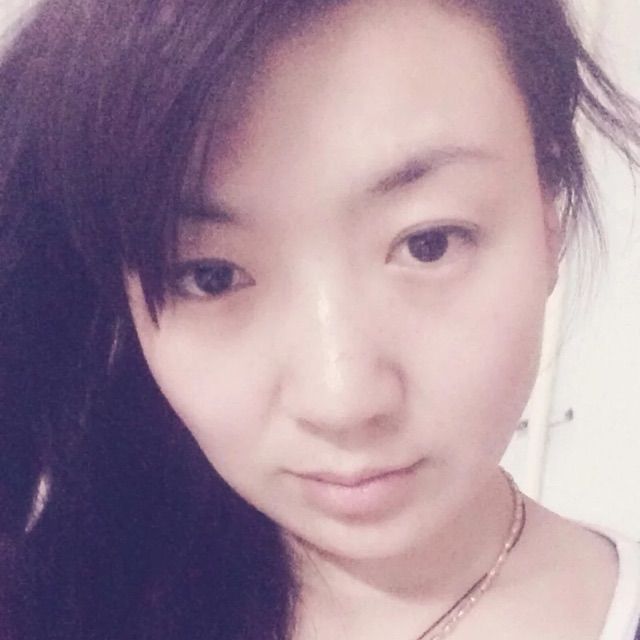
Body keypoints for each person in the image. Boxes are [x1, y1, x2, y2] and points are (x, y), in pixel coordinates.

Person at [0, 0, 639, 638]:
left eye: (428, 243)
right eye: (211, 276)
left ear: (548, 218)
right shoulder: (64, 593)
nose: (343, 402)